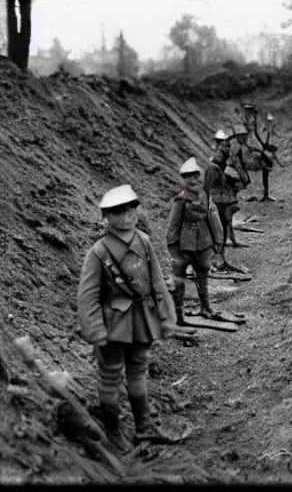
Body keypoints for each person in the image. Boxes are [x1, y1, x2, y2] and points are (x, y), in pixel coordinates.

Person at [77, 184, 183, 452]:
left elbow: (157, 282)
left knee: (138, 369)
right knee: (110, 375)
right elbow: (87, 295)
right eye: (118, 212)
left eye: (131, 209)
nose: (127, 216)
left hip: (142, 318)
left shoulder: (144, 242)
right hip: (113, 323)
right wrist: (94, 330)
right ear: (106, 217)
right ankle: (113, 433)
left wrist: (167, 317)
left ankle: (143, 428)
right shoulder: (99, 252)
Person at [166, 157, 224, 322]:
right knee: (179, 280)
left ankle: (205, 308)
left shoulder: (205, 196)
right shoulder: (181, 200)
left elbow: (213, 218)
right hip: (185, 244)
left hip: (204, 241)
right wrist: (173, 249)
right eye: (190, 177)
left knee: (203, 275)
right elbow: (173, 225)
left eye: (197, 176)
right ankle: (178, 314)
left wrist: (218, 241)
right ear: (184, 180)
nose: (195, 180)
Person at [203, 129, 242, 255]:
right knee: (216, 227)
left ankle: (220, 254)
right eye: (221, 146)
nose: (223, 149)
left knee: (223, 225)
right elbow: (207, 185)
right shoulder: (213, 164)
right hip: (215, 199)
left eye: (226, 146)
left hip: (225, 199)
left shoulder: (228, 161)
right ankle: (217, 254)